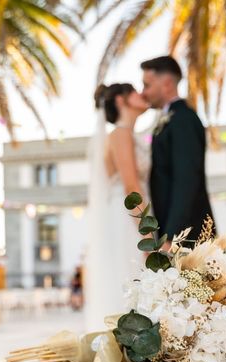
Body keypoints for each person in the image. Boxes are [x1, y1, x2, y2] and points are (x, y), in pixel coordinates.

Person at [84, 83, 151, 331]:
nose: (142, 94)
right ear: (122, 101)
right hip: (128, 217)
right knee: (131, 278)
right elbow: (131, 188)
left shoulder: (129, 135)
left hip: (132, 213)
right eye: (135, 91)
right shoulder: (120, 135)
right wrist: (148, 236)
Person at [141, 56, 214, 245]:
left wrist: (172, 236)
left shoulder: (183, 120)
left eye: (147, 85)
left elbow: (187, 179)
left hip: (187, 235)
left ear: (166, 83)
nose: (144, 92)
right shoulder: (169, 120)